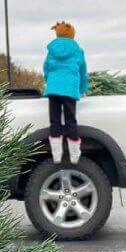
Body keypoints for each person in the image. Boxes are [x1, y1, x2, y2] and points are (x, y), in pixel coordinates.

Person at [42, 21, 89, 164]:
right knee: (70, 121)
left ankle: (57, 155)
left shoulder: (52, 50)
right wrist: (81, 89)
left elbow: (46, 68)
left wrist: (50, 82)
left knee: (54, 121)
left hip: (53, 89)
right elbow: (83, 72)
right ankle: (74, 155)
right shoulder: (78, 50)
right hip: (69, 89)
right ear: (72, 34)